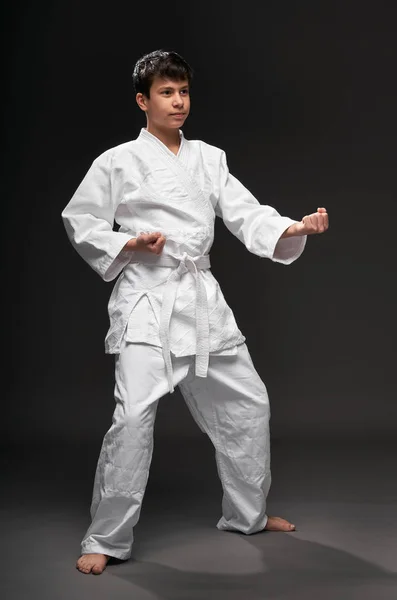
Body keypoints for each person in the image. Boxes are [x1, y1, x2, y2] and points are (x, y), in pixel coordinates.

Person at [61, 49, 329, 576]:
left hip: (201, 299)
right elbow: (81, 219)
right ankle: (106, 537)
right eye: (166, 92)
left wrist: (290, 229)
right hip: (148, 300)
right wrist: (132, 242)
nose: (178, 102)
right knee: (134, 418)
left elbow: (243, 210)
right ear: (143, 100)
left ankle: (247, 514)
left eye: (183, 92)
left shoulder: (209, 157)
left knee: (248, 404)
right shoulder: (116, 161)